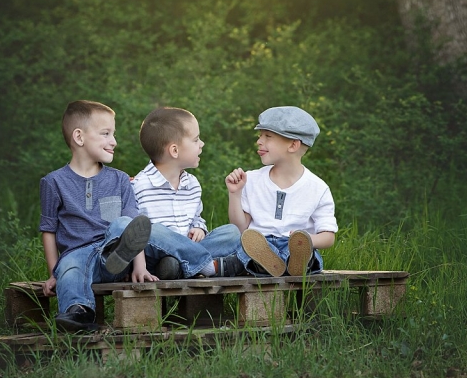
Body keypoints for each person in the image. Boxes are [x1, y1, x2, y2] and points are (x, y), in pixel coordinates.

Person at [39, 100, 156, 332]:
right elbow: (48, 230)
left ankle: (119, 255)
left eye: (113, 134)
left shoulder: (120, 179)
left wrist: (139, 267)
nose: (114, 141)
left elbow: (135, 227)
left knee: (123, 223)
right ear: (79, 137)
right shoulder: (54, 182)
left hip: (110, 257)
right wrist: (54, 274)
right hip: (77, 256)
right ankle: (79, 313)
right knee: (71, 268)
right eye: (106, 134)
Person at [225, 106, 338, 276]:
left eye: (268, 136)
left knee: (304, 252)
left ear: (293, 145)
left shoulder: (317, 188)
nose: (259, 141)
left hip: (294, 246)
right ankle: (265, 263)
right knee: (247, 251)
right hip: (260, 243)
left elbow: (328, 237)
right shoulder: (251, 180)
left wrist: (305, 240)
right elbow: (240, 228)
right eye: (260, 136)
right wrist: (235, 194)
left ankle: (296, 263)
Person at [132, 106, 243, 279]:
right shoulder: (140, 185)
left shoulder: (192, 184)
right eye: (196, 139)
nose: (202, 144)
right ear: (174, 150)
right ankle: (208, 267)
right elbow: (133, 233)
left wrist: (198, 228)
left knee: (232, 232)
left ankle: (177, 268)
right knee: (153, 231)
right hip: (155, 255)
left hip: (187, 249)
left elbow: (196, 217)